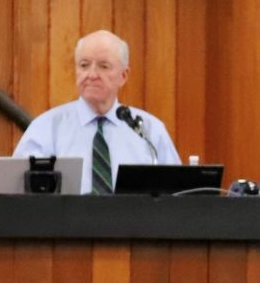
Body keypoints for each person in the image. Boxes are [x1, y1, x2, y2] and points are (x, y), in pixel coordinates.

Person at [13, 30, 180, 194]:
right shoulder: (46, 128)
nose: (91, 75)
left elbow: (178, 194)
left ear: (124, 75)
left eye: (103, 66)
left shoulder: (149, 131)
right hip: (65, 220)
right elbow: (16, 192)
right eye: (84, 65)